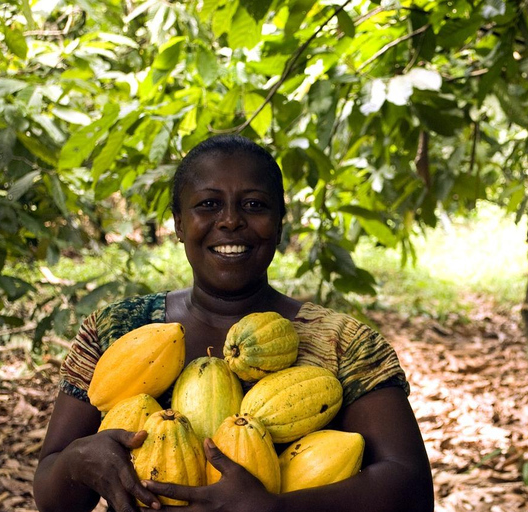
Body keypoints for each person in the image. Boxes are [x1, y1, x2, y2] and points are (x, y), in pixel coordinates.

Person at [33, 135, 435, 512]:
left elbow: (412, 488)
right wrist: (77, 462)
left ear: (280, 222)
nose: (230, 221)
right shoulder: (116, 329)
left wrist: (276, 508)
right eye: (208, 204)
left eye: (254, 205)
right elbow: (50, 487)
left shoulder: (344, 343)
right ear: (177, 223)